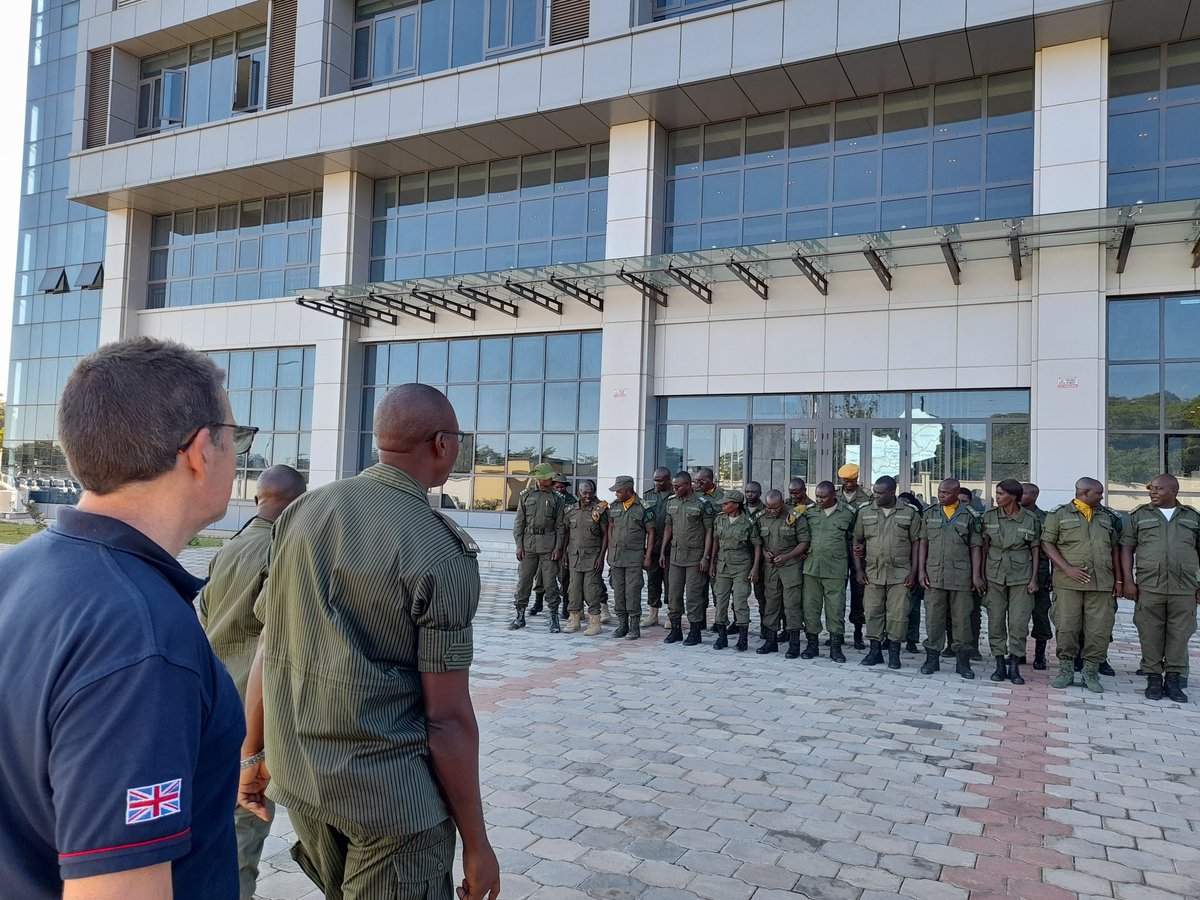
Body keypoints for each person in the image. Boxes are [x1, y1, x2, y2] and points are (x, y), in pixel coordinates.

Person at [0, 338, 247, 899]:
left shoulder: (15, 572)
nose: (240, 457)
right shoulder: (140, 639)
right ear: (200, 450)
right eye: (237, 437)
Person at [240, 383, 500, 900]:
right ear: (442, 444)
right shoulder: (438, 548)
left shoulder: (302, 513)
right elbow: (447, 719)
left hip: (306, 784)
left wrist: (252, 757)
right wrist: (478, 843)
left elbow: (270, 647)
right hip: (392, 807)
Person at [198, 465, 307, 900]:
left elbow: (205, 617)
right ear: (298, 501)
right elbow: (282, 640)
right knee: (241, 843)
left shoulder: (229, 549)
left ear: (259, 498)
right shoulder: (282, 555)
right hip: (252, 721)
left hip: (210, 707)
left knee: (208, 833)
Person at [1120, 475, 1200, 703]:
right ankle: (1153, 679)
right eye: (1151, 489)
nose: (1152, 492)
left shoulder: (1192, 517)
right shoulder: (1139, 515)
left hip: (1184, 587)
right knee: (1149, 632)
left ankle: (1173, 680)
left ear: (1173, 490)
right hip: (1149, 586)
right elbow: (1127, 548)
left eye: (1157, 489)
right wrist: (1128, 580)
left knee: (1180, 634)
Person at [1041, 477, 1121, 693]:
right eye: (1099, 493)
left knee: (1099, 630)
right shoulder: (1058, 515)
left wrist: (1120, 580)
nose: (1102, 496)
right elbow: (1047, 543)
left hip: (1101, 583)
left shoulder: (1108, 517)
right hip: (1068, 583)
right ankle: (1066, 670)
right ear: (1084, 492)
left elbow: (1115, 550)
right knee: (1067, 627)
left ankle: (1091, 672)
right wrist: (1067, 568)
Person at [917, 479, 984, 680]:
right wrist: (921, 571)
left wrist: (976, 575)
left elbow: (976, 547)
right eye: (940, 492)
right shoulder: (929, 514)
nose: (941, 495)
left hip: (961, 576)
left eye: (946, 493)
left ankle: (962, 661)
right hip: (934, 575)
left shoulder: (970, 516)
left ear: (956, 493)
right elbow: (923, 543)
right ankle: (932, 658)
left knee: (962, 619)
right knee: (933, 619)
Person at [854, 476, 921, 670]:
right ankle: (874, 651)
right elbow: (857, 540)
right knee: (873, 611)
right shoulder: (865, 512)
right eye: (875, 492)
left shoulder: (909, 513)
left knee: (898, 614)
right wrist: (859, 569)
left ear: (892, 492)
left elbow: (917, 544)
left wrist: (914, 572)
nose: (876, 496)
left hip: (900, 573)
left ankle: (894, 653)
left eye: (881, 493)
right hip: (873, 571)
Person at [980, 480, 1041, 686]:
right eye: (997, 493)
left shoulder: (1030, 519)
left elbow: (1035, 549)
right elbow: (984, 548)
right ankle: (999, 664)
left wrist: (1034, 579)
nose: (997, 497)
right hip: (995, 575)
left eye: (1001, 493)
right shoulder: (989, 517)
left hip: (1021, 575)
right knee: (995, 620)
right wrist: (980, 575)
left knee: (1018, 623)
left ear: (1013, 496)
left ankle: (1015, 664)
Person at [509, 462, 567, 632]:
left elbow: (560, 526)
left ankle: (554, 617)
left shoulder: (557, 498)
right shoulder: (525, 495)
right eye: (548, 478)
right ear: (541, 479)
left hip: (549, 546)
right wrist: (519, 545)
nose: (550, 480)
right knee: (524, 582)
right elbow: (519, 522)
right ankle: (520, 616)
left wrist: (558, 547)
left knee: (550, 584)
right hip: (528, 545)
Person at [803, 481, 857, 662]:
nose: (819, 499)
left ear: (834, 495)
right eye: (817, 496)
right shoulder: (809, 512)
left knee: (835, 609)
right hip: (812, 567)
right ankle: (812, 645)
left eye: (823, 496)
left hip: (835, 569)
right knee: (811, 608)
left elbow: (854, 540)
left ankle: (835, 647)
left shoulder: (848, 514)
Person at [660, 471, 715, 646]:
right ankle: (676, 630)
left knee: (693, 596)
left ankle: (695, 631)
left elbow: (709, 532)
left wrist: (706, 557)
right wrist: (662, 551)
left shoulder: (702, 504)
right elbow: (668, 528)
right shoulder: (672, 502)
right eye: (673, 486)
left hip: (695, 557)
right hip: (676, 556)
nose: (674, 489)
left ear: (688, 485)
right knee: (674, 594)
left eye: (677, 486)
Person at [755, 490, 810, 658]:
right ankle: (771, 641)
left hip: (791, 567)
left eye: (776, 508)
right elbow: (758, 541)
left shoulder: (795, 515)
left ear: (782, 504)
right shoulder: (761, 517)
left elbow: (804, 542)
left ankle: (794, 644)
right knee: (771, 604)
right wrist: (765, 552)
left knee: (792, 605)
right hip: (771, 569)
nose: (773, 511)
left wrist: (788, 556)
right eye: (769, 508)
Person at [711, 490, 763, 651]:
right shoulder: (720, 519)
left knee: (740, 602)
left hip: (741, 566)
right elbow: (716, 541)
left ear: (735, 505)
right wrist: (711, 561)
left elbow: (757, 545)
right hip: (722, 565)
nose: (723, 506)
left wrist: (755, 567)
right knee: (720, 602)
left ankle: (743, 638)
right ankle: (722, 637)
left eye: (726, 504)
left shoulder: (748, 522)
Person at [606, 475, 655, 640]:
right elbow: (611, 527)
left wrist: (648, 555)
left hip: (634, 557)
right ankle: (622, 625)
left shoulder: (643, 507)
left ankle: (634, 627)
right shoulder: (614, 506)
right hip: (617, 557)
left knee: (632, 592)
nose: (616, 494)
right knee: (618, 592)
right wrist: (611, 547)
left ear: (629, 490)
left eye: (619, 491)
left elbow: (651, 532)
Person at [562, 480, 609, 636]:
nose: (588, 496)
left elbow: (605, 535)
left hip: (592, 558)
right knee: (573, 590)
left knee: (591, 590)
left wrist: (601, 557)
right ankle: (574, 620)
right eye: (584, 492)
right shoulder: (570, 511)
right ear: (578, 492)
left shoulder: (599, 511)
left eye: (590, 492)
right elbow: (566, 535)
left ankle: (595, 623)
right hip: (574, 557)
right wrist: (564, 554)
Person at [838, 463, 873, 649]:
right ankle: (838, 632)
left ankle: (858, 633)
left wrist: (865, 545)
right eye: (845, 481)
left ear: (857, 479)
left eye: (852, 480)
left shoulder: (868, 497)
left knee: (859, 593)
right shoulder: (834, 496)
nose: (849, 484)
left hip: (860, 550)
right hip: (839, 550)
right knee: (837, 593)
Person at [531, 474, 576, 618]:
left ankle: (565, 606)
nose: (560, 489)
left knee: (564, 576)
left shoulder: (571, 501)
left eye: (562, 487)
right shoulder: (546, 497)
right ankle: (538, 603)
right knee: (541, 575)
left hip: (564, 544)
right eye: (557, 487)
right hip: (546, 542)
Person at [1021, 482, 1053, 669]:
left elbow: (1053, 547)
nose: (1019, 496)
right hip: (1016, 570)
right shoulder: (1013, 514)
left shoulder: (1047, 519)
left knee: (1040, 614)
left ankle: (1040, 655)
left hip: (1040, 571)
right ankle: (1018, 652)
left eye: (1023, 493)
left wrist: (1052, 574)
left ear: (1034, 496)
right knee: (1018, 615)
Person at [641, 467, 674, 628]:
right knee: (653, 582)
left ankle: (671, 614)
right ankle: (653, 614)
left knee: (670, 583)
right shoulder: (648, 495)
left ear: (669, 480)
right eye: (655, 480)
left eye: (660, 480)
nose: (657, 483)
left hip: (670, 548)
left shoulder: (676, 496)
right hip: (652, 548)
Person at [744, 481, 770, 636]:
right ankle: (738, 622)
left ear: (760, 493)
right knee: (739, 593)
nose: (749, 495)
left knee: (761, 594)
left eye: (753, 492)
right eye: (747, 492)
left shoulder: (766, 511)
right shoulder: (740, 510)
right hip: (741, 556)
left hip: (760, 559)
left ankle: (764, 625)